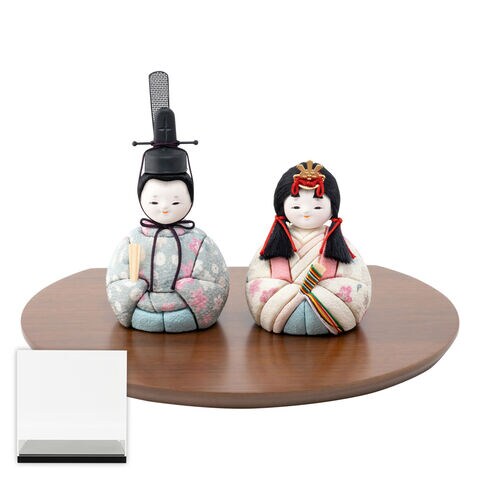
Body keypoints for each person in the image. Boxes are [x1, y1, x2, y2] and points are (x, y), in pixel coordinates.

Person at [106, 72, 229, 332]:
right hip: (142, 308)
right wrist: (132, 288)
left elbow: (217, 282)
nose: (164, 207)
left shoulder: (200, 241)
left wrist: (189, 286)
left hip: (186, 310)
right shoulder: (132, 241)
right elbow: (116, 280)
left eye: (175, 202)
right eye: (154, 201)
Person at [245, 161, 371, 335]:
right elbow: (258, 278)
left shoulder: (340, 244)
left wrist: (316, 294)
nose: (306, 212)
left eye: (317, 206)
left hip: (325, 310)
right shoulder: (274, 243)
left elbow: (356, 280)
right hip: (282, 310)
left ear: (332, 208)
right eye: (296, 206)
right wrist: (292, 294)